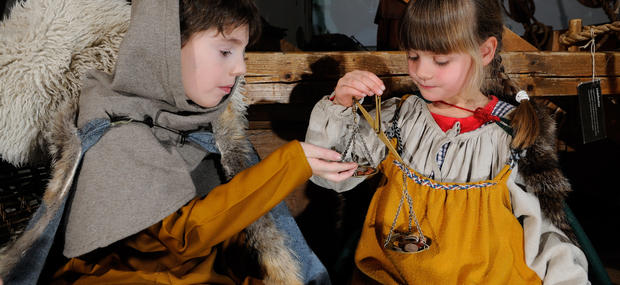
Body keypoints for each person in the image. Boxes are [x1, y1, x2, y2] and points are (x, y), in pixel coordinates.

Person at [0, 0, 356, 284]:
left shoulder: (205, 126)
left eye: (242, 52)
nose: (240, 69)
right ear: (166, 49)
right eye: (225, 51)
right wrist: (289, 163)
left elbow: (236, 238)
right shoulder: (118, 129)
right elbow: (183, 235)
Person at [305, 0, 590, 284]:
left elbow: (544, 233)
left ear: (485, 51)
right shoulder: (398, 120)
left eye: (441, 60)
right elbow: (332, 176)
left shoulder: (511, 133)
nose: (422, 71)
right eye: (413, 56)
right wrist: (340, 106)